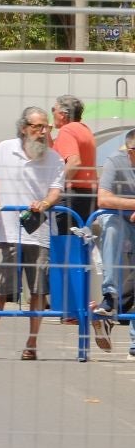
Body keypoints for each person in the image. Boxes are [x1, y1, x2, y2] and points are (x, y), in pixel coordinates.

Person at [0, 107, 68, 361]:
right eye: (37, 127)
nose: (42, 132)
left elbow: (55, 191)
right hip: (5, 230)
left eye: (46, 127)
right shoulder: (5, 149)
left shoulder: (54, 159)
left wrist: (45, 203)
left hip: (38, 233)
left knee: (39, 291)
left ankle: (32, 344)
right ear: (23, 128)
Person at [92, 129, 135, 358]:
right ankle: (110, 296)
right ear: (130, 152)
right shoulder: (114, 162)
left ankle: (112, 311)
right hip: (119, 218)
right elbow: (104, 199)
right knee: (111, 228)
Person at [51, 94, 97, 228]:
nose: (52, 113)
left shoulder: (67, 130)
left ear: (62, 115)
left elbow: (74, 162)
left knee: (63, 242)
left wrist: (56, 187)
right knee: (79, 241)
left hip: (73, 195)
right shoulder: (84, 129)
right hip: (89, 196)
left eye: (53, 110)